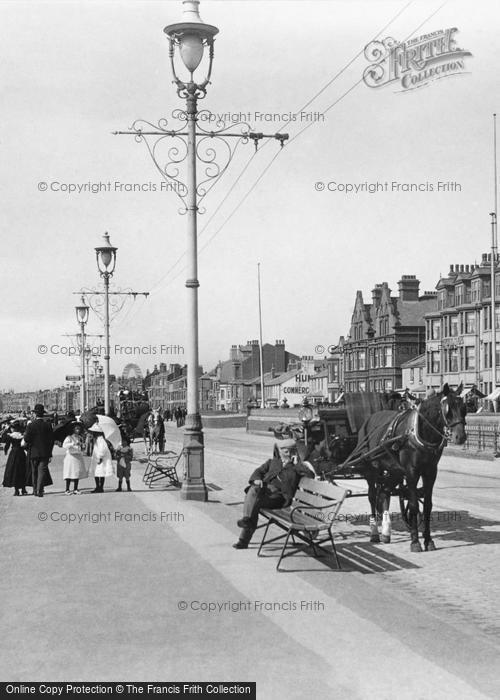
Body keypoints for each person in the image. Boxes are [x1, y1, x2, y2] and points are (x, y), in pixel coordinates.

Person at [233, 438, 316, 550]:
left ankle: (243, 539)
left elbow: (311, 475)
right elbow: (258, 471)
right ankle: (246, 521)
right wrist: (257, 479)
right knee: (253, 491)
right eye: (286, 451)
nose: (288, 454)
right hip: (265, 492)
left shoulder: (295, 467)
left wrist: (298, 464)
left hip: (279, 498)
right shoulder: (272, 462)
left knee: (253, 503)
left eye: (291, 451)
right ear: (280, 451)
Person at [23, 404, 54, 498]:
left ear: (35, 414)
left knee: (34, 471)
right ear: (43, 414)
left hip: (33, 452)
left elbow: (27, 439)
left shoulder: (31, 425)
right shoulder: (47, 425)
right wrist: (50, 453)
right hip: (45, 452)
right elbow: (51, 441)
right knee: (42, 471)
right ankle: (39, 490)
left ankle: (34, 490)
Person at [2, 421, 29, 496]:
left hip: (13, 454)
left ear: (13, 428)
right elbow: (25, 446)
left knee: (14, 471)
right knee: (23, 470)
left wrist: (6, 451)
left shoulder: (10, 436)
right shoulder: (22, 436)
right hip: (21, 453)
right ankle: (23, 489)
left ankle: (16, 490)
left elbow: (7, 445)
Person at [62, 423, 88, 494]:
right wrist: (73, 444)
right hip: (71, 457)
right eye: (76, 428)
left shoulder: (80, 437)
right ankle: (67, 489)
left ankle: (75, 489)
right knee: (69, 473)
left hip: (78, 456)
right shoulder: (69, 437)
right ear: (73, 429)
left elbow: (82, 447)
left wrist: (82, 446)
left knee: (77, 472)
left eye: (79, 429)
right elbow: (64, 445)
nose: (78, 430)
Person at [89, 427, 114, 493]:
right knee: (97, 472)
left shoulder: (101, 439)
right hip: (97, 457)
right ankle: (98, 487)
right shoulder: (97, 439)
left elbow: (103, 449)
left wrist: (100, 457)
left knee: (101, 472)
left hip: (101, 458)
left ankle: (100, 487)